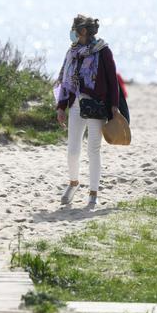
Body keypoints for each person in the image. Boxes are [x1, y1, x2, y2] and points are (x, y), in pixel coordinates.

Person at [55, 14, 119, 207]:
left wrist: (114, 107)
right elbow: (65, 80)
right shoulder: (72, 52)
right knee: (73, 150)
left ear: (82, 31)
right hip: (75, 105)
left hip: (96, 106)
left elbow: (112, 81)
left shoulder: (103, 51)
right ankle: (73, 183)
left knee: (93, 150)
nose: (72, 32)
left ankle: (93, 192)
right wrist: (61, 107)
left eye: (74, 29)